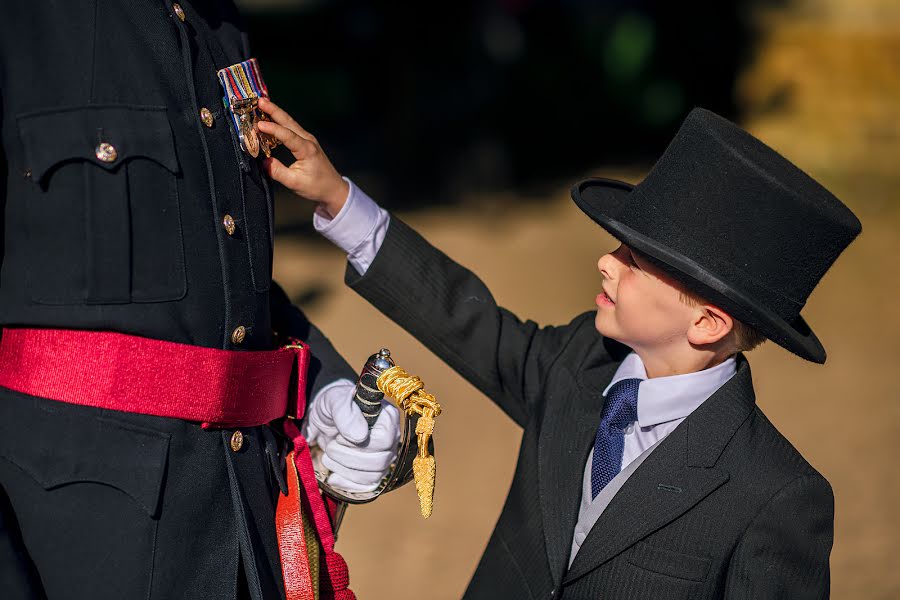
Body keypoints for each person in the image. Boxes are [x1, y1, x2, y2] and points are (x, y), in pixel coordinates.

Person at [257, 99, 861, 599]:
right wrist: (338, 200)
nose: (605, 260)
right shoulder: (579, 360)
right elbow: (470, 320)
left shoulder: (774, 494)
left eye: (638, 260)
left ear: (706, 322)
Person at [0, 3, 398, 599]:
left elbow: (231, 289)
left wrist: (323, 387)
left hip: (246, 538)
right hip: (79, 554)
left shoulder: (219, 26)